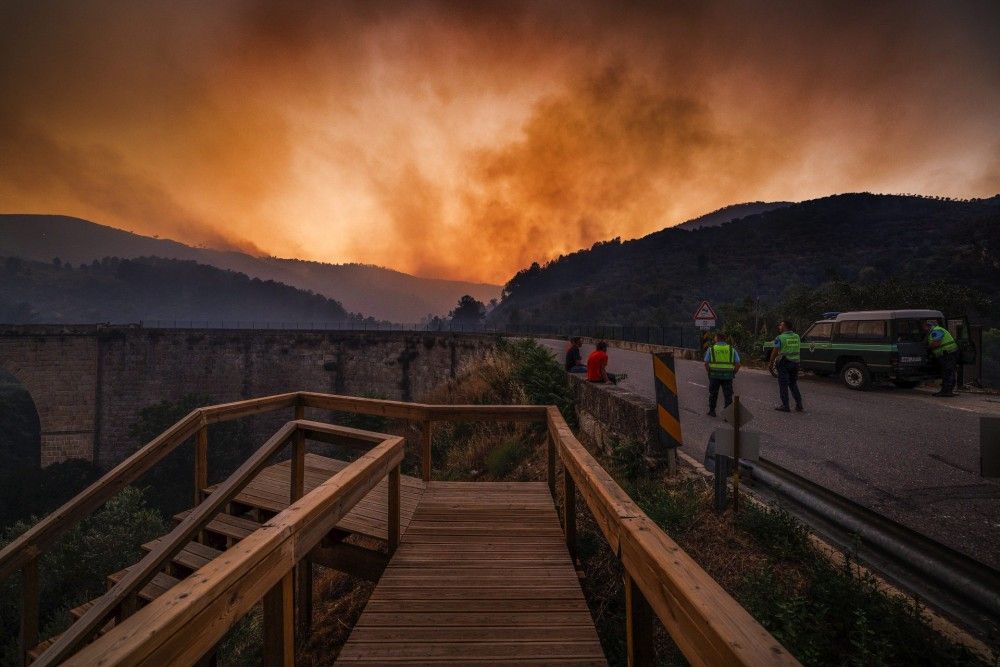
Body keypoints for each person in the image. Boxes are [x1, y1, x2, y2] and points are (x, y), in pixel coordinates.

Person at [769, 319, 803, 412]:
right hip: (795, 363)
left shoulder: (779, 337)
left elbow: (775, 351)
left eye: (780, 325)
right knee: (793, 384)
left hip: (784, 362)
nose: (779, 327)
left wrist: (771, 362)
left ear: (784, 327)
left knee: (783, 385)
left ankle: (785, 406)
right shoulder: (797, 336)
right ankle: (799, 405)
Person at [704, 332, 740, 417]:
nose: (714, 339)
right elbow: (738, 364)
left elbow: (706, 363)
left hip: (714, 375)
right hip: (728, 376)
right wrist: (733, 372)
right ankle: (727, 416)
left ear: (717, 338)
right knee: (728, 396)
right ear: (724, 339)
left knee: (713, 394)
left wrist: (709, 372)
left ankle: (712, 411)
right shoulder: (732, 349)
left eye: (715, 337)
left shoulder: (711, 349)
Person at [923, 320, 959, 397]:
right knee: (948, 371)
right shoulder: (935, 331)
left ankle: (947, 391)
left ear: (928, 326)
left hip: (947, 354)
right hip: (947, 354)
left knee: (947, 372)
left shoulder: (936, 330)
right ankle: (947, 390)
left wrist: (927, 348)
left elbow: (936, 343)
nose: (923, 328)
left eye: (924, 326)